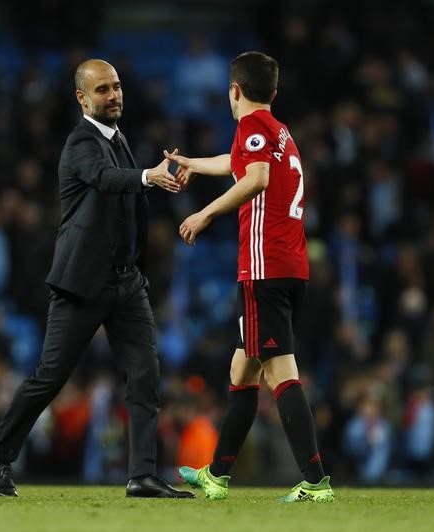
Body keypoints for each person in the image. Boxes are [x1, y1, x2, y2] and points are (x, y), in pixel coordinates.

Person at [0, 59, 193, 499]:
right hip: (83, 284)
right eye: (102, 90)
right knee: (50, 378)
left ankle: (142, 475)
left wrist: (150, 179)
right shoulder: (80, 143)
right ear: (82, 98)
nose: (113, 95)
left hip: (127, 282)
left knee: (144, 375)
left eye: (116, 87)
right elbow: (104, 178)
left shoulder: (119, 138)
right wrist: (148, 176)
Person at [167, 51, 334, 502]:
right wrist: (193, 164)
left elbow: (254, 177)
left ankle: (315, 483)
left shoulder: (252, 128)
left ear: (234, 91)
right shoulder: (278, 132)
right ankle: (217, 477)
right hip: (289, 266)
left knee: (281, 372)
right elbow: (239, 163)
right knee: (242, 369)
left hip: (264, 267)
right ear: (273, 94)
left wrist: (204, 213)